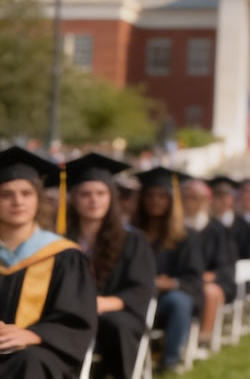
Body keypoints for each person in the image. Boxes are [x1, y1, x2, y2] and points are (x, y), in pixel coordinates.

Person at [0, 146, 97, 378]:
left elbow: (76, 319)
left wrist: (35, 335)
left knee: (29, 360)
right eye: (6, 194)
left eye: (26, 193)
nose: (17, 201)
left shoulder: (64, 255)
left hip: (40, 352)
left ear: (38, 199)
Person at [65, 153, 156, 379]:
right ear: (73, 199)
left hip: (117, 314)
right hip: (72, 313)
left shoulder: (133, 240)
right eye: (85, 194)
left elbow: (141, 289)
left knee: (118, 326)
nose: (93, 200)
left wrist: (102, 303)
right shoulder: (61, 241)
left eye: (101, 193)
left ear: (111, 198)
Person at [133, 167, 204, 373]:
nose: (156, 201)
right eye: (150, 196)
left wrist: (171, 283)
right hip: (136, 297)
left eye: (162, 196)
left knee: (179, 301)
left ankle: (170, 360)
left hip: (165, 302)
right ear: (142, 200)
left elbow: (194, 278)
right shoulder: (131, 234)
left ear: (172, 201)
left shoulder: (185, 236)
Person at [180, 178, 236, 350]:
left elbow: (226, 265)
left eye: (194, 198)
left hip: (213, 280)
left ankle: (203, 339)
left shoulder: (216, 229)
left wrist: (208, 276)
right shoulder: (176, 228)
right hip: (184, 280)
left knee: (209, 292)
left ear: (205, 201)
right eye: (185, 197)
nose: (189, 203)